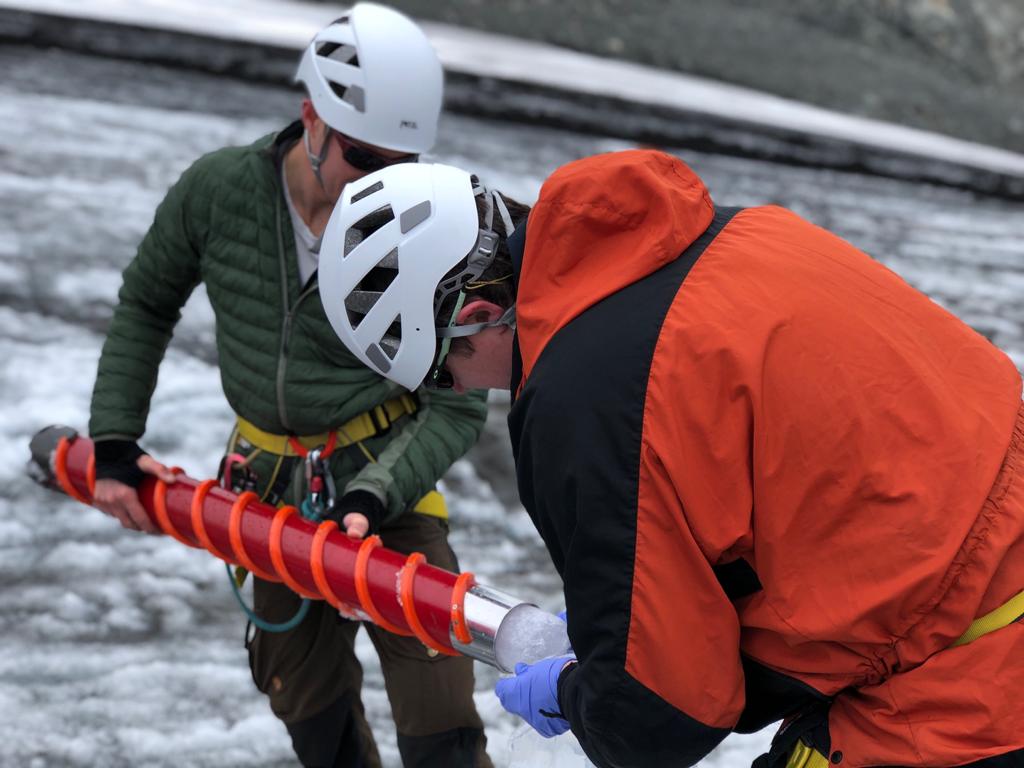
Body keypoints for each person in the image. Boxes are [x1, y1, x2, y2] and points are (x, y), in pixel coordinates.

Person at [316, 152, 1024, 768]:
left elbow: (658, 716)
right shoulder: (731, 234)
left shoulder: (583, 397)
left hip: (967, 677)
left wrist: (578, 690)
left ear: (475, 319)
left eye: (443, 375)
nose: (463, 393)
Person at [87, 5, 494, 767]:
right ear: (313, 118)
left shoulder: (425, 226)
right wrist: (114, 438)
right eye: (363, 158)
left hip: (389, 491)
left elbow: (459, 401)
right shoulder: (218, 190)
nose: (382, 182)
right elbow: (146, 303)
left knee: (440, 721)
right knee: (311, 712)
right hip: (268, 492)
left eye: (400, 165)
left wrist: (374, 496)